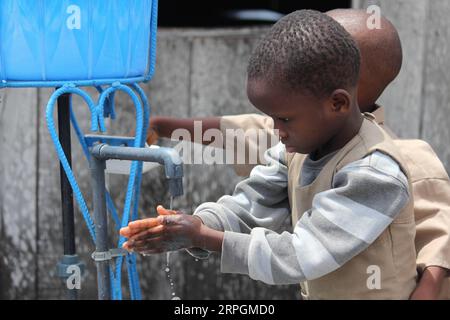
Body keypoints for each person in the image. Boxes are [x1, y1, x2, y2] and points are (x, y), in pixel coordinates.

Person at [141, 9, 450, 300]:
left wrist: (204, 237)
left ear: (345, 87)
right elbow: (251, 201)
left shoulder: (381, 167)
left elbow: (305, 254)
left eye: (284, 119)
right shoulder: (301, 138)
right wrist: (195, 223)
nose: (276, 128)